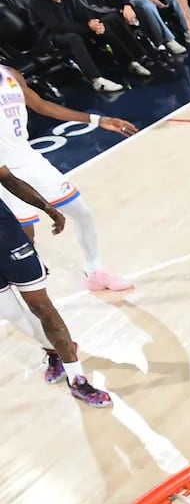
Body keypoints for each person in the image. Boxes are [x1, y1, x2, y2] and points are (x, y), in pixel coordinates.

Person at [0, 62, 139, 292]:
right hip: (5, 171)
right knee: (25, 240)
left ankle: (94, 272)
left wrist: (97, 120)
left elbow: (41, 105)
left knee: (82, 213)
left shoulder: (10, 73)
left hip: (31, 160)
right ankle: (15, 297)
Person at [0, 167, 112, 406]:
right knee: (10, 313)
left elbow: (10, 180)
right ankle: (53, 351)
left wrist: (47, 208)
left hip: (8, 241)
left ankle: (78, 380)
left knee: (42, 307)